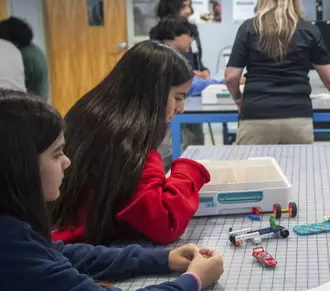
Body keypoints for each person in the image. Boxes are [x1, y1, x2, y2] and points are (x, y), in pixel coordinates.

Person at [0, 89, 225, 291]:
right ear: (19, 164)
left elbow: (57, 254)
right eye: (56, 153)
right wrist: (194, 280)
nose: (67, 162)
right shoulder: (11, 254)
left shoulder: (12, 229)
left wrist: (163, 259)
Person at [50, 41, 211, 245]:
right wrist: (187, 173)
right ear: (154, 94)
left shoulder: (88, 112)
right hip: (86, 250)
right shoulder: (131, 143)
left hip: (62, 237)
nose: (181, 109)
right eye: (178, 97)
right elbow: (164, 222)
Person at [224, 0, 330, 145]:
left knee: (254, 171)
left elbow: (231, 76)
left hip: (256, 114)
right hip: (297, 117)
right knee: (297, 171)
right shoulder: (308, 30)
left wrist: (238, 99)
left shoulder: (249, 28)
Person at [155, 0, 208, 147]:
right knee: (173, 142)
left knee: (195, 139)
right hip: (175, 92)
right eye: (184, 6)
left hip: (193, 89)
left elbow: (197, 58)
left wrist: (204, 72)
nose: (188, 11)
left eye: (189, 6)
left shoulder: (191, 30)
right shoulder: (159, 33)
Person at [0, 17, 47, 99]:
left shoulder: (24, 55)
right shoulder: (33, 50)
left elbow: (14, 85)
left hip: (31, 103)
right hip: (34, 102)